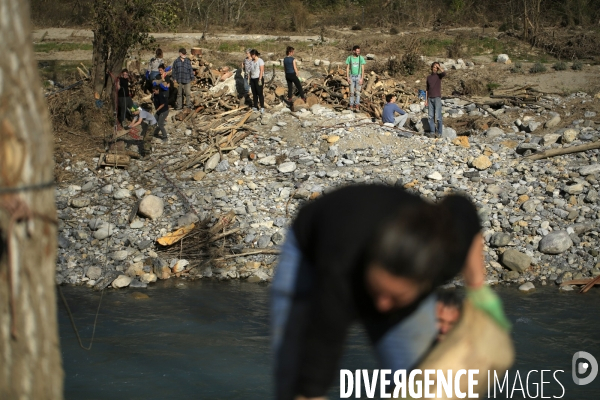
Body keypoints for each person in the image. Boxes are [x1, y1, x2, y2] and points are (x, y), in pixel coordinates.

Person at [271, 184, 511, 400]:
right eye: (378, 291)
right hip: (311, 249)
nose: (382, 306)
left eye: (396, 297)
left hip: (401, 228)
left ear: (427, 283)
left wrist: (478, 290)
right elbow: (315, 368)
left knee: (423, 386)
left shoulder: (447, 253)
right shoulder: (339, 274)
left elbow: (463, 207)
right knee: (293, 380)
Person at [425, 61, 446, 136]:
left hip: (437, 98)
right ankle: (432, 132)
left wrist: (439, 66)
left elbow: (444, 73)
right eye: (434, 67)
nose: (435, 69)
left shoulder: (439, 76)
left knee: (438, 117)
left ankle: (439, 133)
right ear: (431, 68)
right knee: (430, 116)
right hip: (430, 98)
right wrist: (426, 100)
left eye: (436, 68)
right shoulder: (428, 77)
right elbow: (427, 89)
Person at [345, 45, 366, 111]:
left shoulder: (361, 58)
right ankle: (351, 105)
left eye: (359, 51)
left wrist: (362, 78)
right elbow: (348, 68)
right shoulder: (349, 58)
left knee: (358, 92)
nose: (358, 52)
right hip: (351, 76)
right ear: (353, 51)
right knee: (351, 92)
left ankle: (357, 106)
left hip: (358, 76)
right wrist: (347, 77)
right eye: (357, 51)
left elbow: (363, 69)